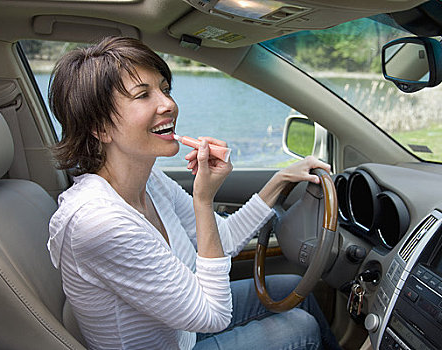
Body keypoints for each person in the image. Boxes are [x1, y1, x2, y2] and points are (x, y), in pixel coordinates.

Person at [47, 36, 338, 350]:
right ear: (100, 127)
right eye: (143, 95)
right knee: (300, 327)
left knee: (293, 288)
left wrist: (279, 181)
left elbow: (221, 239)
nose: (168, 104)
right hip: (181, 337)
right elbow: (213, 315)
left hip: (180, 331)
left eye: (165, 89)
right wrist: (204, 199)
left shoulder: (151, 181)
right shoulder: (100, 223)